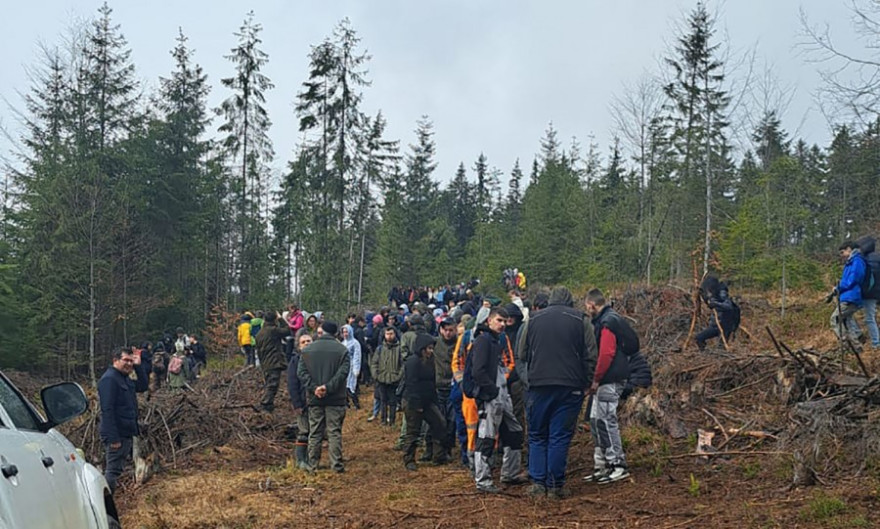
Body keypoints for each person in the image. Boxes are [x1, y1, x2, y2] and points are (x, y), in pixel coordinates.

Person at [517, 286, 597, 499]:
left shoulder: (532, 320)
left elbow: (521, 355)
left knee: (537, 435)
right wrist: (586, 383)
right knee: (559, 436)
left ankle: (537, 483)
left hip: (538, 386)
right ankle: (555, 486)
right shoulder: (581, 320)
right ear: (570, 301)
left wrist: (528, 381)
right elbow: (591, 355)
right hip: (570, 387)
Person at [470, 306, 525, 494]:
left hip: (502, 395)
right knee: (486, 438)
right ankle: (483, 480)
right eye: (499, 320)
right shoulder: (483, 341)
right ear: (489, 321)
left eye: (504, 321)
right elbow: (477, 371)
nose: (502, 324)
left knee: (514, 431)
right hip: (490, 398)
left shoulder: (496, 341)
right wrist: (491, 391)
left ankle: (510, 472)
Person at [583, 288, 632, 484]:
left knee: (606, 420)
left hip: (609, 379)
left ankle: (618, 464)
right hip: (606, 379)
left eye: (587, 306)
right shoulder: (609, 319)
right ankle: (602, 464)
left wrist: (595, 379)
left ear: (592, 304)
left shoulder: (607, 323)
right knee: (595, 420)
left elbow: (606, 354)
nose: (587, 310)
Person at [298, 321, 351, 473]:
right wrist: (328, 388)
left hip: (315, 398)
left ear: (321, 332)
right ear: (335, 333)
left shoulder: (307, 350)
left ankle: (313, 465)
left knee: (315, 432)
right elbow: (343, 373)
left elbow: (301, 373)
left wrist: (315, 388)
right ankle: (336, 465)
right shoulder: (342, 350)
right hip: (336, 398)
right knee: (334, 432)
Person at [98, 347, 149, 493]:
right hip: (116, 435)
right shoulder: (109, 380)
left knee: (118, 470)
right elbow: (107, 410)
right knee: (112, 471)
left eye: (131, 361)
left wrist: (139, 366)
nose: (129, 364)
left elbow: (143, 386)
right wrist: (113, 438)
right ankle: (106, 504)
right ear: (115, 360)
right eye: (126, 360)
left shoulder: (124, 378)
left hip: (126, 432)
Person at [402, 334, 451, 470]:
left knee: (439, 423)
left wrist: (433, 400)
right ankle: (409, 459)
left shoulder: (430, 361)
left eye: (432, 348)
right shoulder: (412, 362)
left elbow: (431, 382)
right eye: (428, 348)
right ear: (421, 348)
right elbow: (411, 384)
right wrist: (417, 405)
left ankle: (438, 455)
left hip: (428, 400)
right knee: (413, 431)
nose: (431, 351)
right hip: (413, 402)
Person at [827, 240, 867, 346]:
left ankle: (847, 344)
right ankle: (856, 346)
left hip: (852, 297)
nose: (842, 256)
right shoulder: (851, 262)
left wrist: (838, 287)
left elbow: (853, 280)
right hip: (848, 296)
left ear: (849, 249)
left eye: (842, 252)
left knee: (835, 319)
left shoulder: (857, 261)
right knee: (846, 321)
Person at [432, 318, 458, 463]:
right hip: (438, 386)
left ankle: (448, 447)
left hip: (453, 386)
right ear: (441, 330)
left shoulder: (459, 344)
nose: (448, 333)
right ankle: (439, 451)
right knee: (439, 420)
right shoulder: (435, 343)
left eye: (450, 330)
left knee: (452, 421)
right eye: (445, 330)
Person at [255, 312, 291, 412]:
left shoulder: (260, 333)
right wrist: (281, 319)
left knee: (269, 383)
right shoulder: (272, 330)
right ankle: (265, 404)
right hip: (273, 361)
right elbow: (288, 330)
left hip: (265, 362)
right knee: (273, 385)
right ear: (274, 320)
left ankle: (269, 406)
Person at [288, 332, 314, 469]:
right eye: (303, 342)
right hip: (302, 403)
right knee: (304, 431)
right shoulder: (295, 361)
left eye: (309, 341)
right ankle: (300, 460)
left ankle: (311, 459)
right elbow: (292, 384)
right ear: (299, 345)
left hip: (315, 402)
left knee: (315, 432)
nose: (307, 344)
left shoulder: (317, 358)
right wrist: (296, 403)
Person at [695, 276, 740, 352]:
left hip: (726, 326)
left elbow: (728, 306)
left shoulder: (722, 293)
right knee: (699, 338)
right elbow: (710, 305)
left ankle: (721, 360)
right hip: (715, 326)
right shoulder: (712, 295)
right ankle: (704, 354)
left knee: (721, 348)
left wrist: (715, 304)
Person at [370, 326, 404, 425]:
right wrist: (376, 375)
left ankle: (392, 421)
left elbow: (402, 365)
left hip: (394, 379)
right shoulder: (380, 349)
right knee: (383, 400)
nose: (389, 336)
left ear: (395, 334)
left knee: (393, 402)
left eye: (391, 334)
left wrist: (398, 376)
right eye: (387, 334)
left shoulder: (399, 348)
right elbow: (374, 363)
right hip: (381, 378)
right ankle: (383, 420)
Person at [857, 236, 880, 349]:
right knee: (871, 317)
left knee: (869, 318)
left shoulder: (862, 259)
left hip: (866, 293)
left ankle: (875, 343)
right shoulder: (878, 257)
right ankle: (875, 343)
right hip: (876, 293)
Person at [341, 324, 362, 410]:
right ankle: (346, 403)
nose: (345, 334)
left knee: (351, 386)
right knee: (344, 386)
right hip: (344, 367)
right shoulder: (343, 343)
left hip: (352, 367)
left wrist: (356, 368)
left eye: (347, 332)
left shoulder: (355, 343)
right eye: (344, 332)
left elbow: (357, 356)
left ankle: (356, 404)